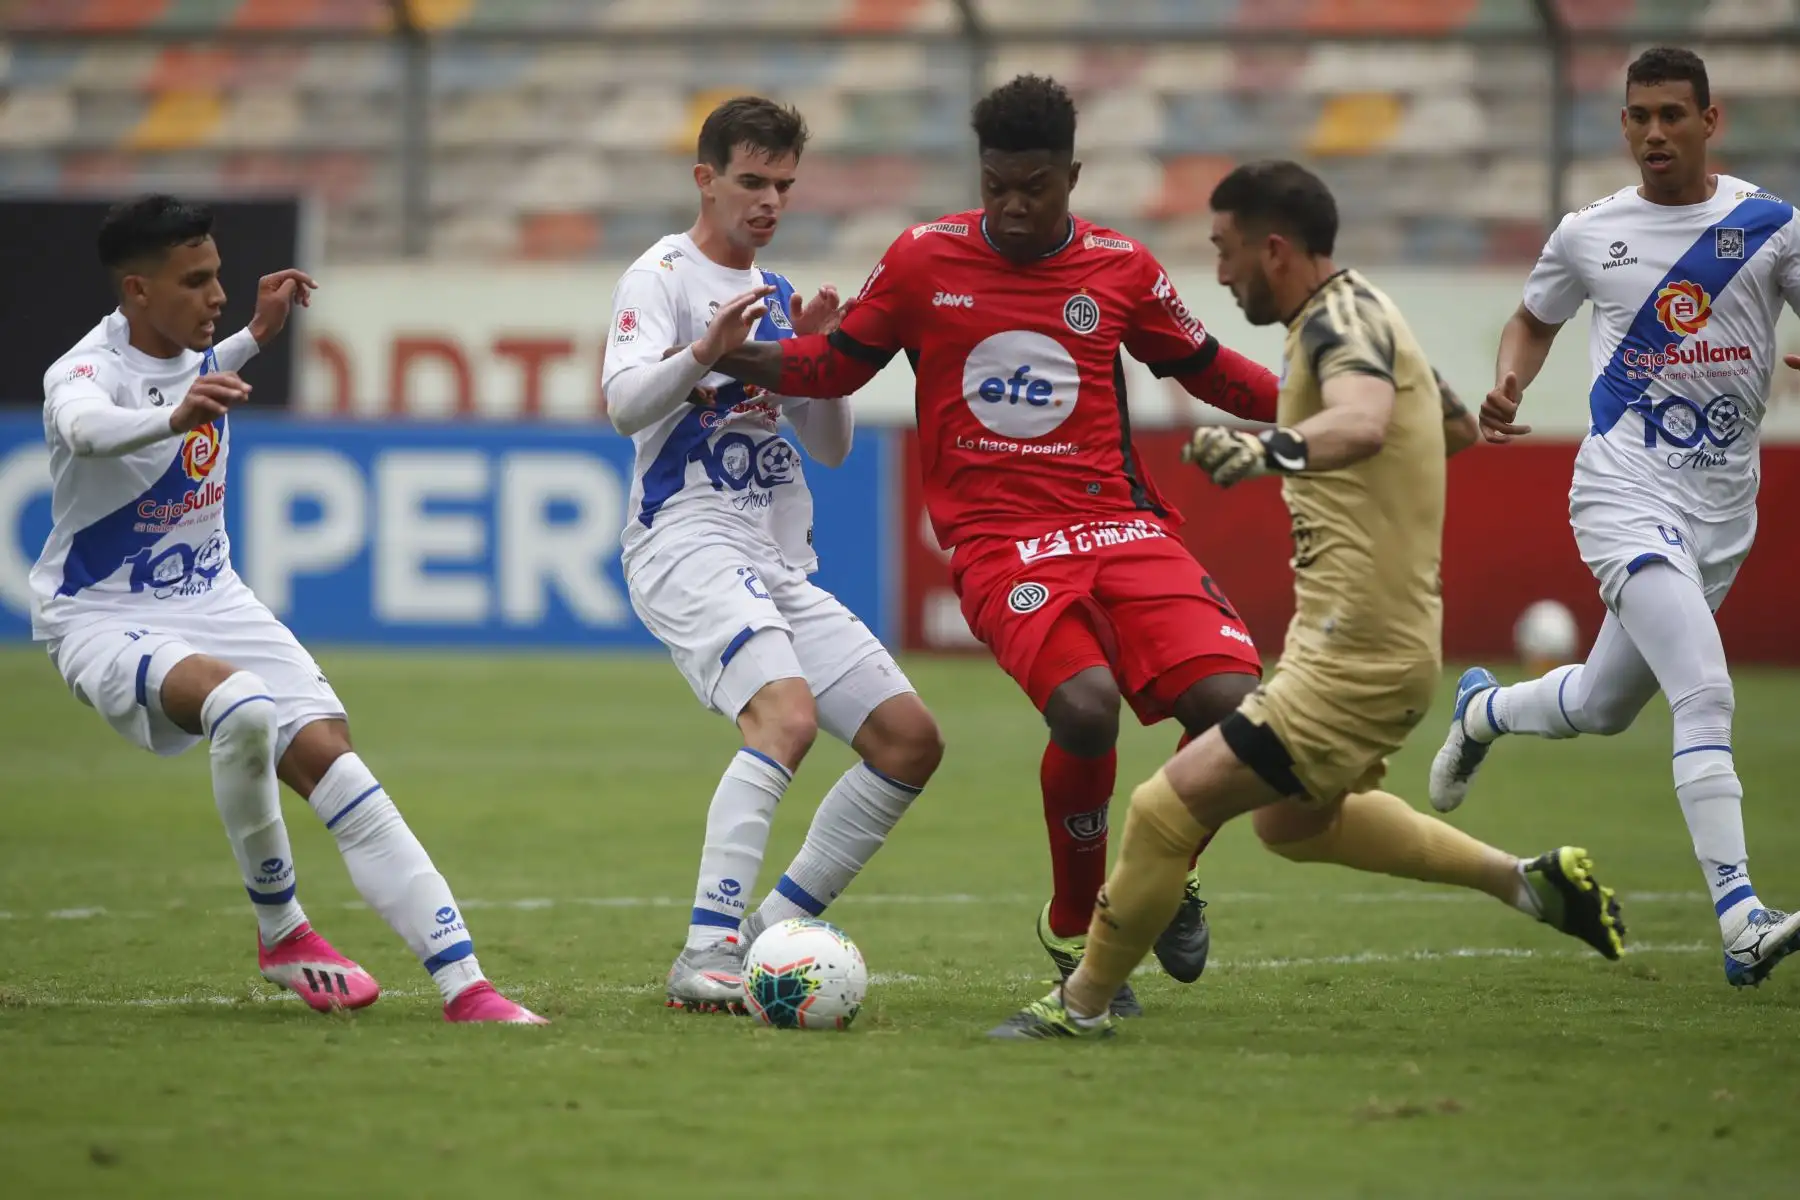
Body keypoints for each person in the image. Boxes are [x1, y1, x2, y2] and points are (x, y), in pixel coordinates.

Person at [989, 160, 1627, 1039]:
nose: (1217, 272)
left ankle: (1081, 1005)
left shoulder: (1335, 324)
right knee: (1293, 826)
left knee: (1161, 810)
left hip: (1355, 653)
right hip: (1378, 648)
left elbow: (1365, 420)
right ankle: (1526, 881)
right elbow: (1447, 427)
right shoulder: (1366, 311)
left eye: (1225, 250)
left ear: (1274, 249)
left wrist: (1266, 452)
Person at [706, 74, 1298, 1016]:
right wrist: (707, 351)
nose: (1014, 208)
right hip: (1000, 542)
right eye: (996, 188)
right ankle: (1080, 925)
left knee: (1239, 709)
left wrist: (1332, 398)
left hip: (1119, 522)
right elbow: (832, 364)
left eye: (1034, 187)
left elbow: (1208, 370)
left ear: (1072, 174)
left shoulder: (1121, 268)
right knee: (1087, 709)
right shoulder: (921, 260)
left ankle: (1163, 868)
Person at [33, 194, 542, 1023]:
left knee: (339, 766)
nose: (217, 295)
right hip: (100, 613)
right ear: (135, 291)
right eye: (195, 282)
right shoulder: (85, 372)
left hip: (213, 596)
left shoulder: (199, 349)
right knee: (240, 707)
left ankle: (468, 988)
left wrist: (257, 337)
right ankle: (285, 931)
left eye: (219, 276)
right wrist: (171, 417)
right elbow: (86, 429)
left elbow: (192, 368)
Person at [1430, 47, 1800, 987]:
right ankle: (1741, 915)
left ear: (1711, 122)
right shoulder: (1591, 232)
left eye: (1673, 115)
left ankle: (1484, 711)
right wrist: (1511, 378)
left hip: (1723, 510)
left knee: (1601, 705)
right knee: (1706, 691)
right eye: (1639, 116)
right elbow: (1534, 317)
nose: (1653, 133)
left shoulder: (1768, 226)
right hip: (1622, 490)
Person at [601, 97, 943, 1013]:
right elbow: (627, 404)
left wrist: (820, 356)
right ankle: (705, 949)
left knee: (909, 742)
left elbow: (828, 445)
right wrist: (705, 351)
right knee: (784, 719)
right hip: (685, 542)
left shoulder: (779, 295)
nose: (768, 202)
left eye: (783, 185)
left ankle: (763, 937)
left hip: (771, 557)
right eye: (751, 182)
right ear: (705, 178)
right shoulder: (661, 277)